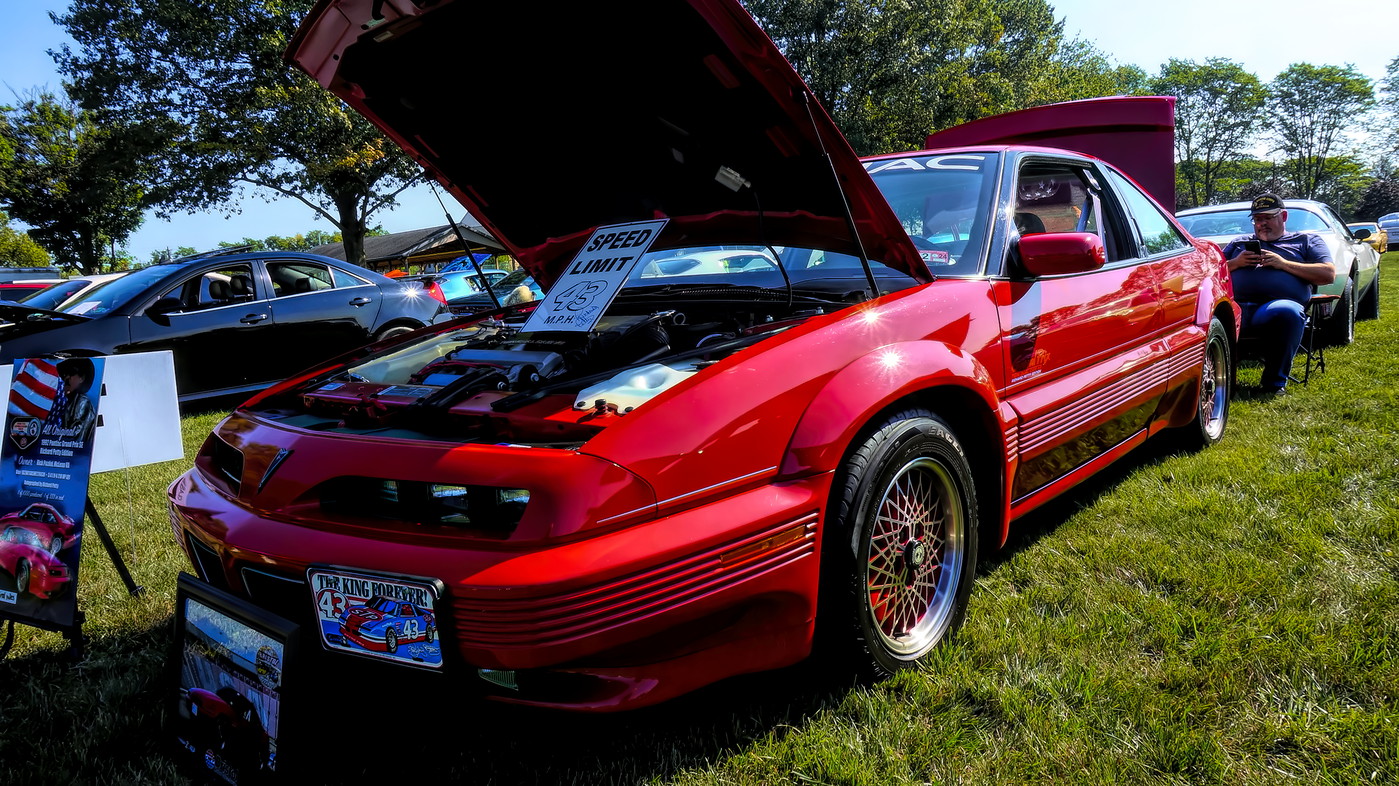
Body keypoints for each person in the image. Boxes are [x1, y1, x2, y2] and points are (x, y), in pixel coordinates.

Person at [1220, 193, 1335, 395]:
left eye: (1267, 218)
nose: (1262, 224)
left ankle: (1274, 383)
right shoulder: (1239, 243)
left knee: (1287, 311)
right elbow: (1209, 272)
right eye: (1257, 219)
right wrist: (1235, 264)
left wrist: (1284, 264)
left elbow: (1327, 274)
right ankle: (1222, 383)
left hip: (1274, 307)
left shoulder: (1305, 241)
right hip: (1236, 306)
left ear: (1283, 216)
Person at [44, 357, 100, 442]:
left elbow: (75, 443)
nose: (66, 377)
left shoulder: (83, 404)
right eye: (64, 374)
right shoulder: (60, 400)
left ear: (82, 378)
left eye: (71, 373)